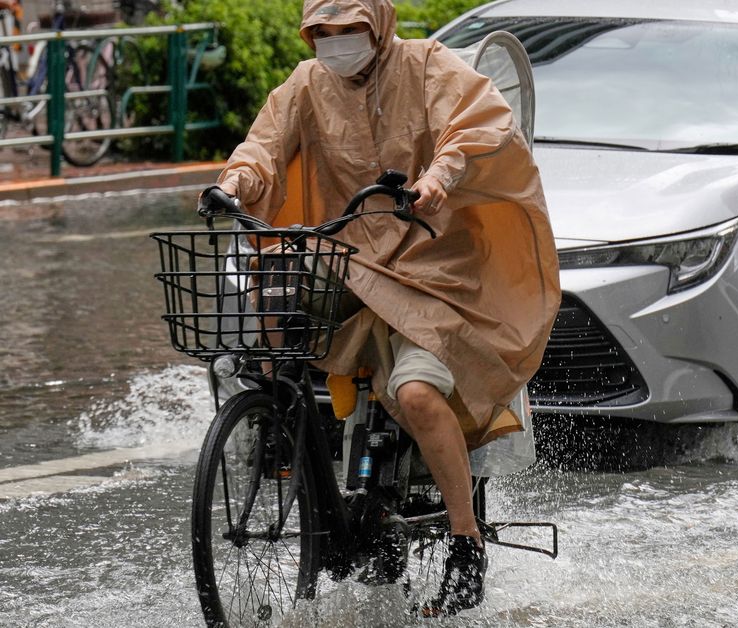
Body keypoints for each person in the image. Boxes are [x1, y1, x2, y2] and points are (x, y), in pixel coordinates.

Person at [201, 0, 560, 616]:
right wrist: (234, 183)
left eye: (350, 31)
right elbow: (263, 146)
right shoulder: (307, 84)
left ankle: (464, 544)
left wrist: (438, 178)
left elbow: (476, 126)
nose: (336, 44)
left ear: (380, 26)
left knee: (417, 395)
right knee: (271, 316)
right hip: (350, 256)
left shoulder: (428, 66)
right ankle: (299, 451)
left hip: (436, 263)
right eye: (324, 32)